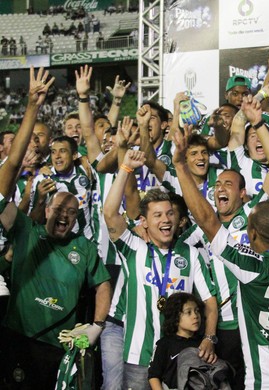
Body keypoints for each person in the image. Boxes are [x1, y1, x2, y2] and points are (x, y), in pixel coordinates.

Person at [174, 96, 269, 390]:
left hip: (265, 373)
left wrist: (180, 164)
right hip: (240, 335)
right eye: (216, 185)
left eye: (228, 184)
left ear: (245, 196)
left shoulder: (250, 246)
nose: (220, 188)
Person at [0, 66, 111, 389]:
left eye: (72, 211)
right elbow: (5, 186)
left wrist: (97, 325)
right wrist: (33, 107)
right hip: (18, 340)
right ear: (44, 208)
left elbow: (103, 285)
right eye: (58, 208)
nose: (64, 214)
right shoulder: (24, 231)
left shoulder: (84, 248)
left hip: (60, 349)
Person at [103, 150, 218, 390]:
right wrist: (125, 169)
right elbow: (110, 213)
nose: (165, 219)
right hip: (138, 357)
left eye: (170, 213)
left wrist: (209, 338)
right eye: (157, 215)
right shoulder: (134, 248)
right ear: (144, 222)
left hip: (177, 358)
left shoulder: (190, 253)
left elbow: (209, 301)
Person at [148, 292, 206, 390]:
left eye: (197, 311)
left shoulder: (203, 343)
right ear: (175, 317)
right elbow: (154, 376)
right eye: (189, 312)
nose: (195, 316)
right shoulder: (164, 344)